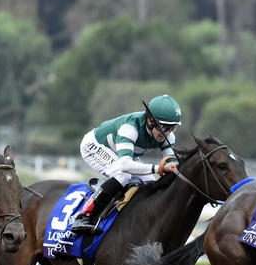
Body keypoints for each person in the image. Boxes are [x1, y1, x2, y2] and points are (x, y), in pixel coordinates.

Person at [70, 94, 182, 235]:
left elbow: (171, 162)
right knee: (123, 175)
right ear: (150, 121)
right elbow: (124, 165)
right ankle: (83, 216)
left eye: (172, 128)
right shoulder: (130, 128)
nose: (167, 132)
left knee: (150, 182)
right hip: (95, 145)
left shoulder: (167, 135)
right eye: (164, 127)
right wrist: (156, 168)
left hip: (121, 152)